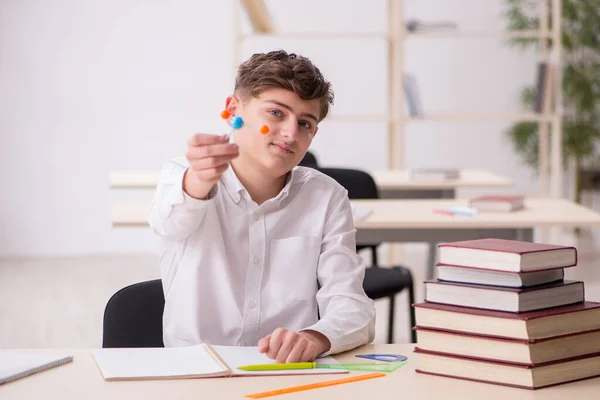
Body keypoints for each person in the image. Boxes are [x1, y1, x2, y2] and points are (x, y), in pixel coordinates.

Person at [148, 50, 375, 363]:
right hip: (198, 372)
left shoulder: (327, 198)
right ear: (233, 109)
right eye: (277, 113)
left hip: (285, 372)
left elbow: (352, 305)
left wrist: (315, 337)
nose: (291, 133)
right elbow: (170, 220)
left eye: (305, 123)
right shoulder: (182, 177)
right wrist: (197, 183)